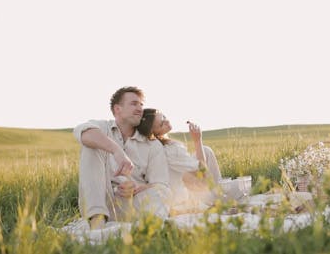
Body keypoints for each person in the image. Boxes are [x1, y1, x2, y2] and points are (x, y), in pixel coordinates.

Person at [73, 87, 171, 229]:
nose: (140, 109)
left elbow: (161, 184)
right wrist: (116, 150)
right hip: (104, 202)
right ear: (117, 109)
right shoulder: (102, 127)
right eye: (134, 104)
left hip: (133, 204)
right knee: (91, 146)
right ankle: (97, 222)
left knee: (163, 192)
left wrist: (138, 187)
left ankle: (148, 227)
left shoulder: (152, 144)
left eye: (141, 105)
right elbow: (83, 133)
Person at [137, 108, 222, 210]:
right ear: (154, 133)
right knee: (238, 188)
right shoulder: (169, 150)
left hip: (182, 189)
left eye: (164, 117)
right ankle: (218, 194)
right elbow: (202, 171)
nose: (167, 121)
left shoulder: (153, 148)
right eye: (161, 124)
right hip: (191, 198)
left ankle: (218, 189)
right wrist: (197, 140)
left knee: (205, 150)